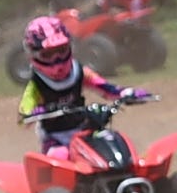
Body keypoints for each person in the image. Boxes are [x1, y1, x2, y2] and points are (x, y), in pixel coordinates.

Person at [18, 15, 153, 149]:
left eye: (61, 51)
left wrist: (127, 93)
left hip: (84, 131)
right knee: (59, 154)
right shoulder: (37, 84)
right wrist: (39, 111)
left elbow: (106, 88)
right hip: (56, 138)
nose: (57, 60)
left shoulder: (79, 72)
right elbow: (23, 117)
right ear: (33, 55)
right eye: (48, 54)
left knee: (112, 142)